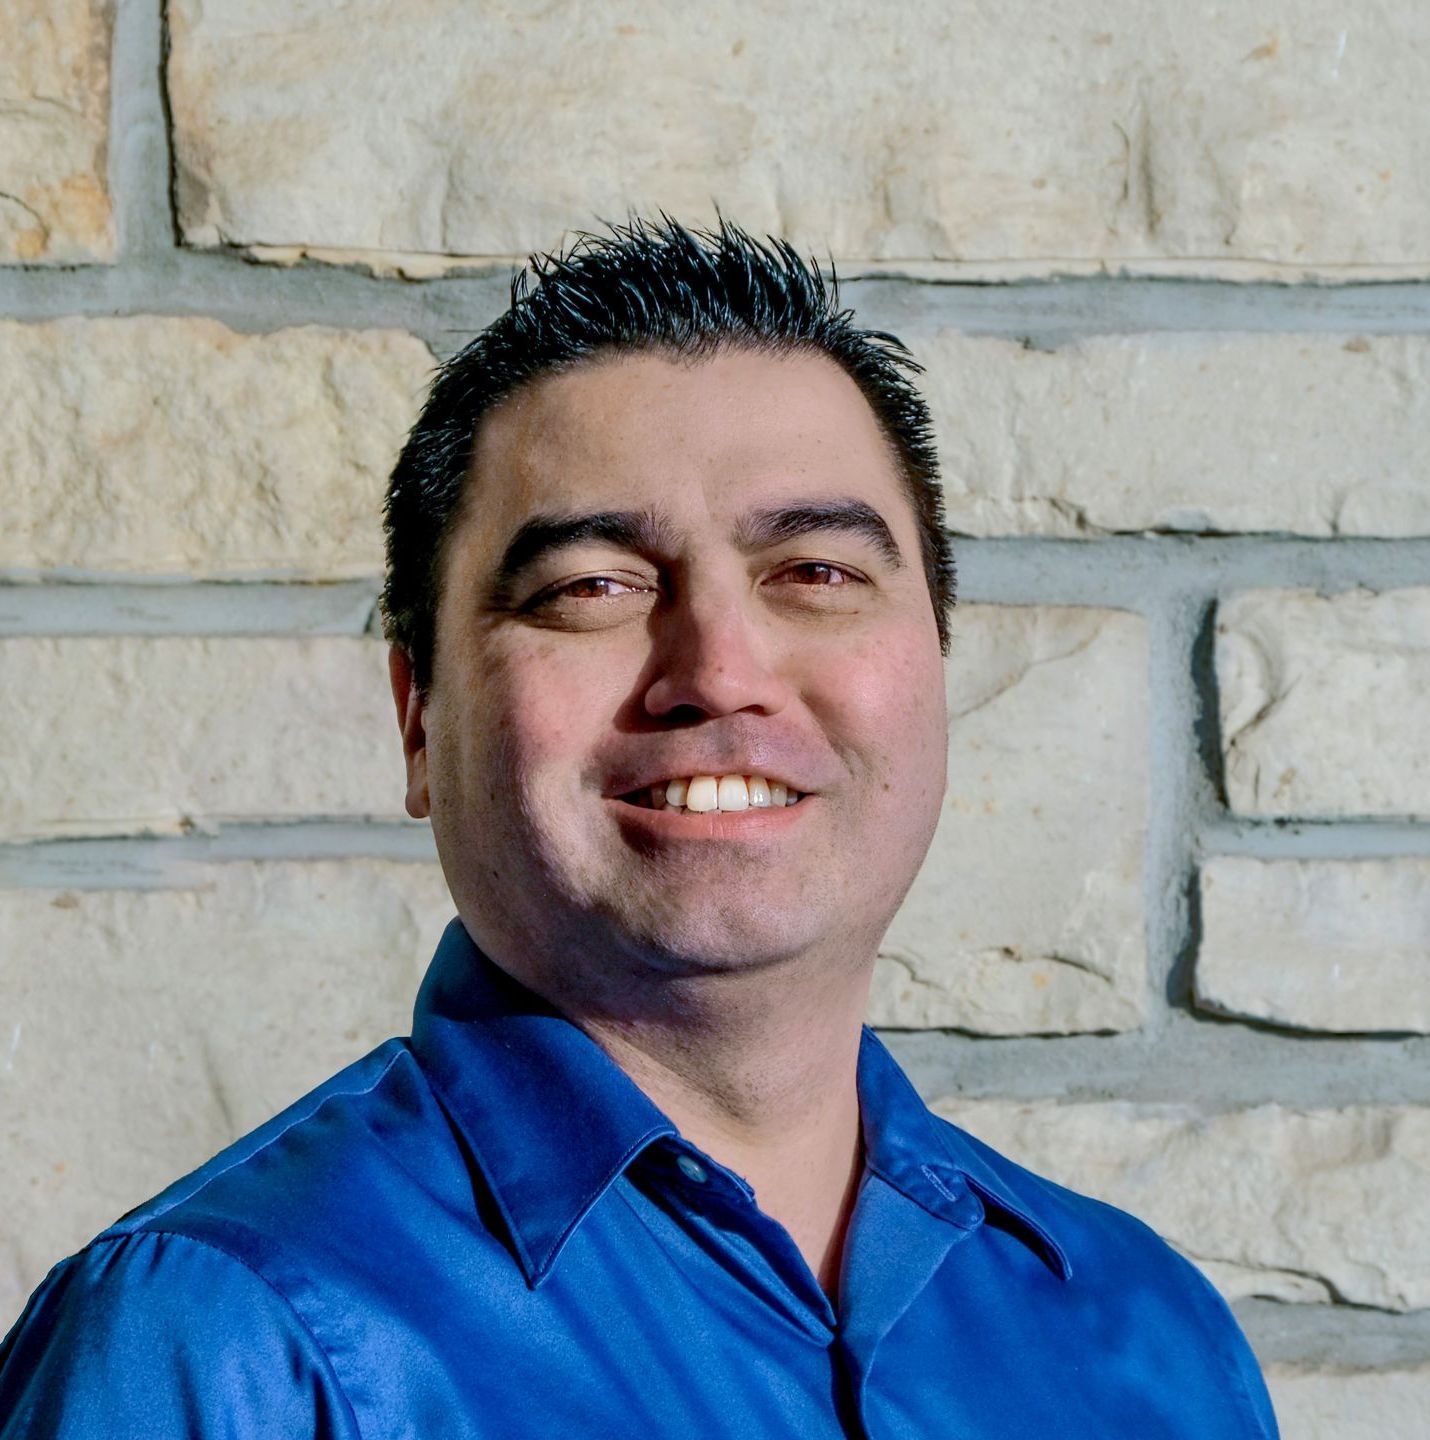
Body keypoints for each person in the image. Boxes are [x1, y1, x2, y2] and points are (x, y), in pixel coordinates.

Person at [0, 218, 1279, 1437]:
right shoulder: (221, 1341)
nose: (719, 669)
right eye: (590, 587)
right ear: (415, 718)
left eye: (815, 573)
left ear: (932, 665)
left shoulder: (1146, 1335)